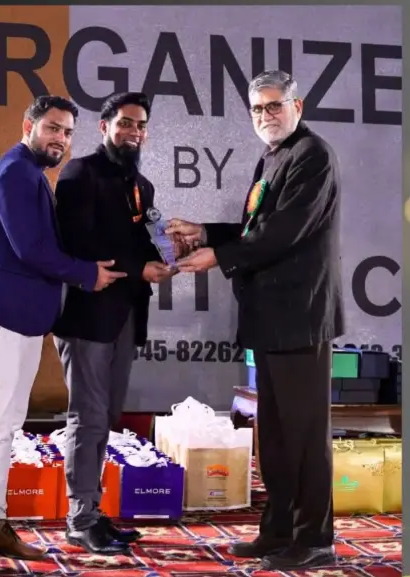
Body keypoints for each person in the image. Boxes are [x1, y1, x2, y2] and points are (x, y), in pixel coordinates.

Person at [167, 70, 344, 571]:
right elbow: (257, 227)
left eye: (274, 105)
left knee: (304, 434)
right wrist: (207, 233)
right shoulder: (273, 156)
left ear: (297, 106)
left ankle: (315, 539)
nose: (266, 115)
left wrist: (218, 256)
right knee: (277, 434)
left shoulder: (312, 155)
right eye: (257, 108)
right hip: (271, 316)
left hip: (301, 315)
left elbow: (284, 233)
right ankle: (279, 530)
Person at [0, 95, 127, 574]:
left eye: (67, 132)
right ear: (28, 126)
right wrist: (86, 273)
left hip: (19, 318)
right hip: (0, 315)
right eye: (52, 128)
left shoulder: (29, 173)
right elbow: (30, 248)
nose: (60, 139)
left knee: (6, 423)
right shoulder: (13, 172)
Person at [52, 92, 176, 555]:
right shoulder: (79, 173)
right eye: (125, 123)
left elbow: (143, 242)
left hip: (126, 315)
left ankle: (93, 510)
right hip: (87, 316)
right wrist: (140, 266)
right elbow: (76, 242)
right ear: (104, 126)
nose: (133, 132)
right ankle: (80, 518)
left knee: (105, 416)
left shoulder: (142, 184)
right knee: (87, 416)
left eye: (140, 125)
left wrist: (171, 252)